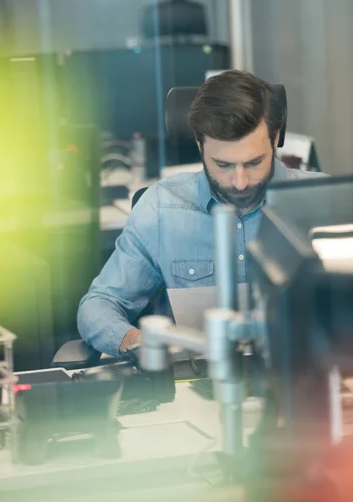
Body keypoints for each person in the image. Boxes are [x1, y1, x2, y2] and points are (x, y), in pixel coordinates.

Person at [78, 70, 324, 356]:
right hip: (197, 382)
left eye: (254, 163)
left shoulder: (324, 203)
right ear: (199, 145)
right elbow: (98, 306)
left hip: (306, 378)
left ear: (276, 138)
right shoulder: (161, 209)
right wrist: (138, 341)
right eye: (224, 165)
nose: (240, 181)